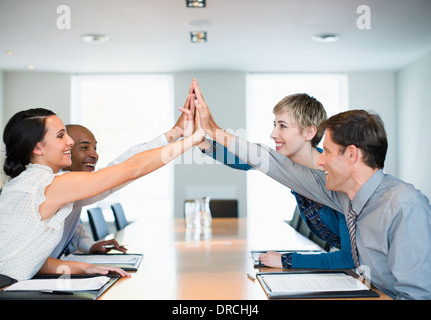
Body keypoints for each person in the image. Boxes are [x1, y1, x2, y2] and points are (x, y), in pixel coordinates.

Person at [192, 78, 431, 300]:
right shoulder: (344, 195)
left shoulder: (402, 205)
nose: (320, 161)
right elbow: (265, 161)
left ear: (351, 154)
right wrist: (207, 136)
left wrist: (287, 261)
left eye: (326, 152)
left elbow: (415, 294)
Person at [0, 95, 204, 282]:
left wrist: (85, 268)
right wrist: (191, 140)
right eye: (61, 136)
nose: (70, 141)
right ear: (37, 148)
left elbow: (24, 258)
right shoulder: (47, 184)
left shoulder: (25, 182)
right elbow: (132, 168)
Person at [197, 93, 355, 269]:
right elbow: (245, 161)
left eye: (283, 126)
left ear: (309, 132)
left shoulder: (336, 180)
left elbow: (349, 258)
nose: (273, 134)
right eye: (275, 125)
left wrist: (286, 260)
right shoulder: (290, 163)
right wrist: (201, 142)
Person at [50, 90, 195, 259]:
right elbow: (129, 166)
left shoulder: (71, 187)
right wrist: (178, 134)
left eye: (95, 148)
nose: (94, 155)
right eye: (84, 147)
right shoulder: (61, 183)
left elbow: (68, 223)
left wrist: (90, 246)